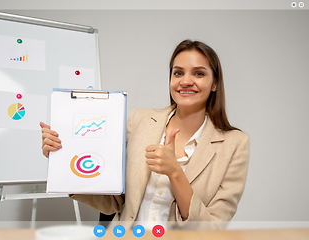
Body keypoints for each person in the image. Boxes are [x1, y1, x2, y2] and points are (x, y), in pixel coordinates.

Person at [41, 39, 249, 222]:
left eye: (199, 73)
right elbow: (114, 201)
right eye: (178, 73)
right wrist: (63, 159)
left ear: (215, 83)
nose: (185, 81)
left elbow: (211, 229)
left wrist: (175, 172)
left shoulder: (235, 144)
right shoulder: (139, 120)